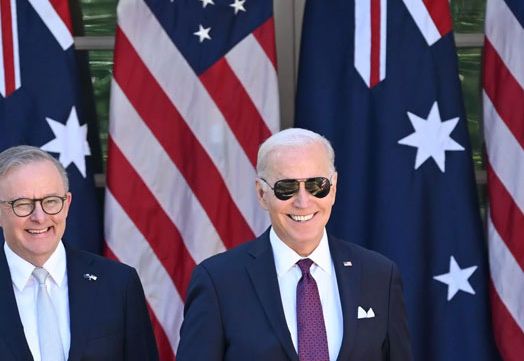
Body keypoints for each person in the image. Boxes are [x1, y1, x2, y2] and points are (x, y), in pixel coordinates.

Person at [176, 128, 412, 361]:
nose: (303, 201)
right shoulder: (218, 282)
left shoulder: (379, 276)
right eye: (286, 188)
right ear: (261, 194)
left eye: (316, 185)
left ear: (333, 188)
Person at [0, 145, 159, 361]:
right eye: (23, 204)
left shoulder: (118, 284)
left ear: (66, 203)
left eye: (51, 201)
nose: (40, 217)